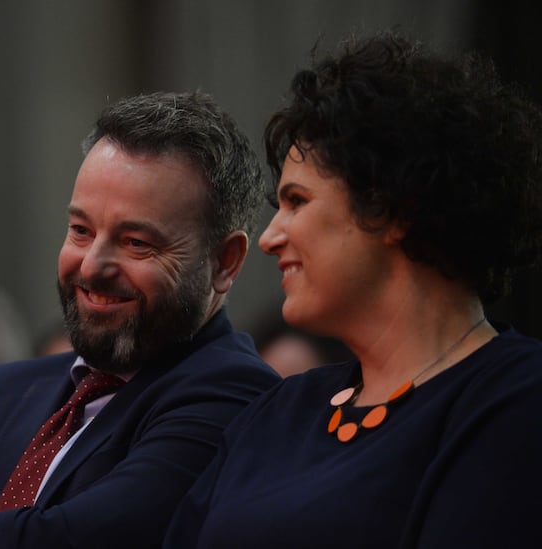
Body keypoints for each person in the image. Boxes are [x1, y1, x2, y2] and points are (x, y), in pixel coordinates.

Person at [0, 91, 279, 548]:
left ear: (225, 261)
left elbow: (72, 540)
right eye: (81, 231)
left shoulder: (237, 397)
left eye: (136, 242)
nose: (90, 266)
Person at [164, 31, 542, 547]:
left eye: (297, 201)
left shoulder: (515, 400)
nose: (270, 237)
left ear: (391, 209)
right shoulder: (279, 410)